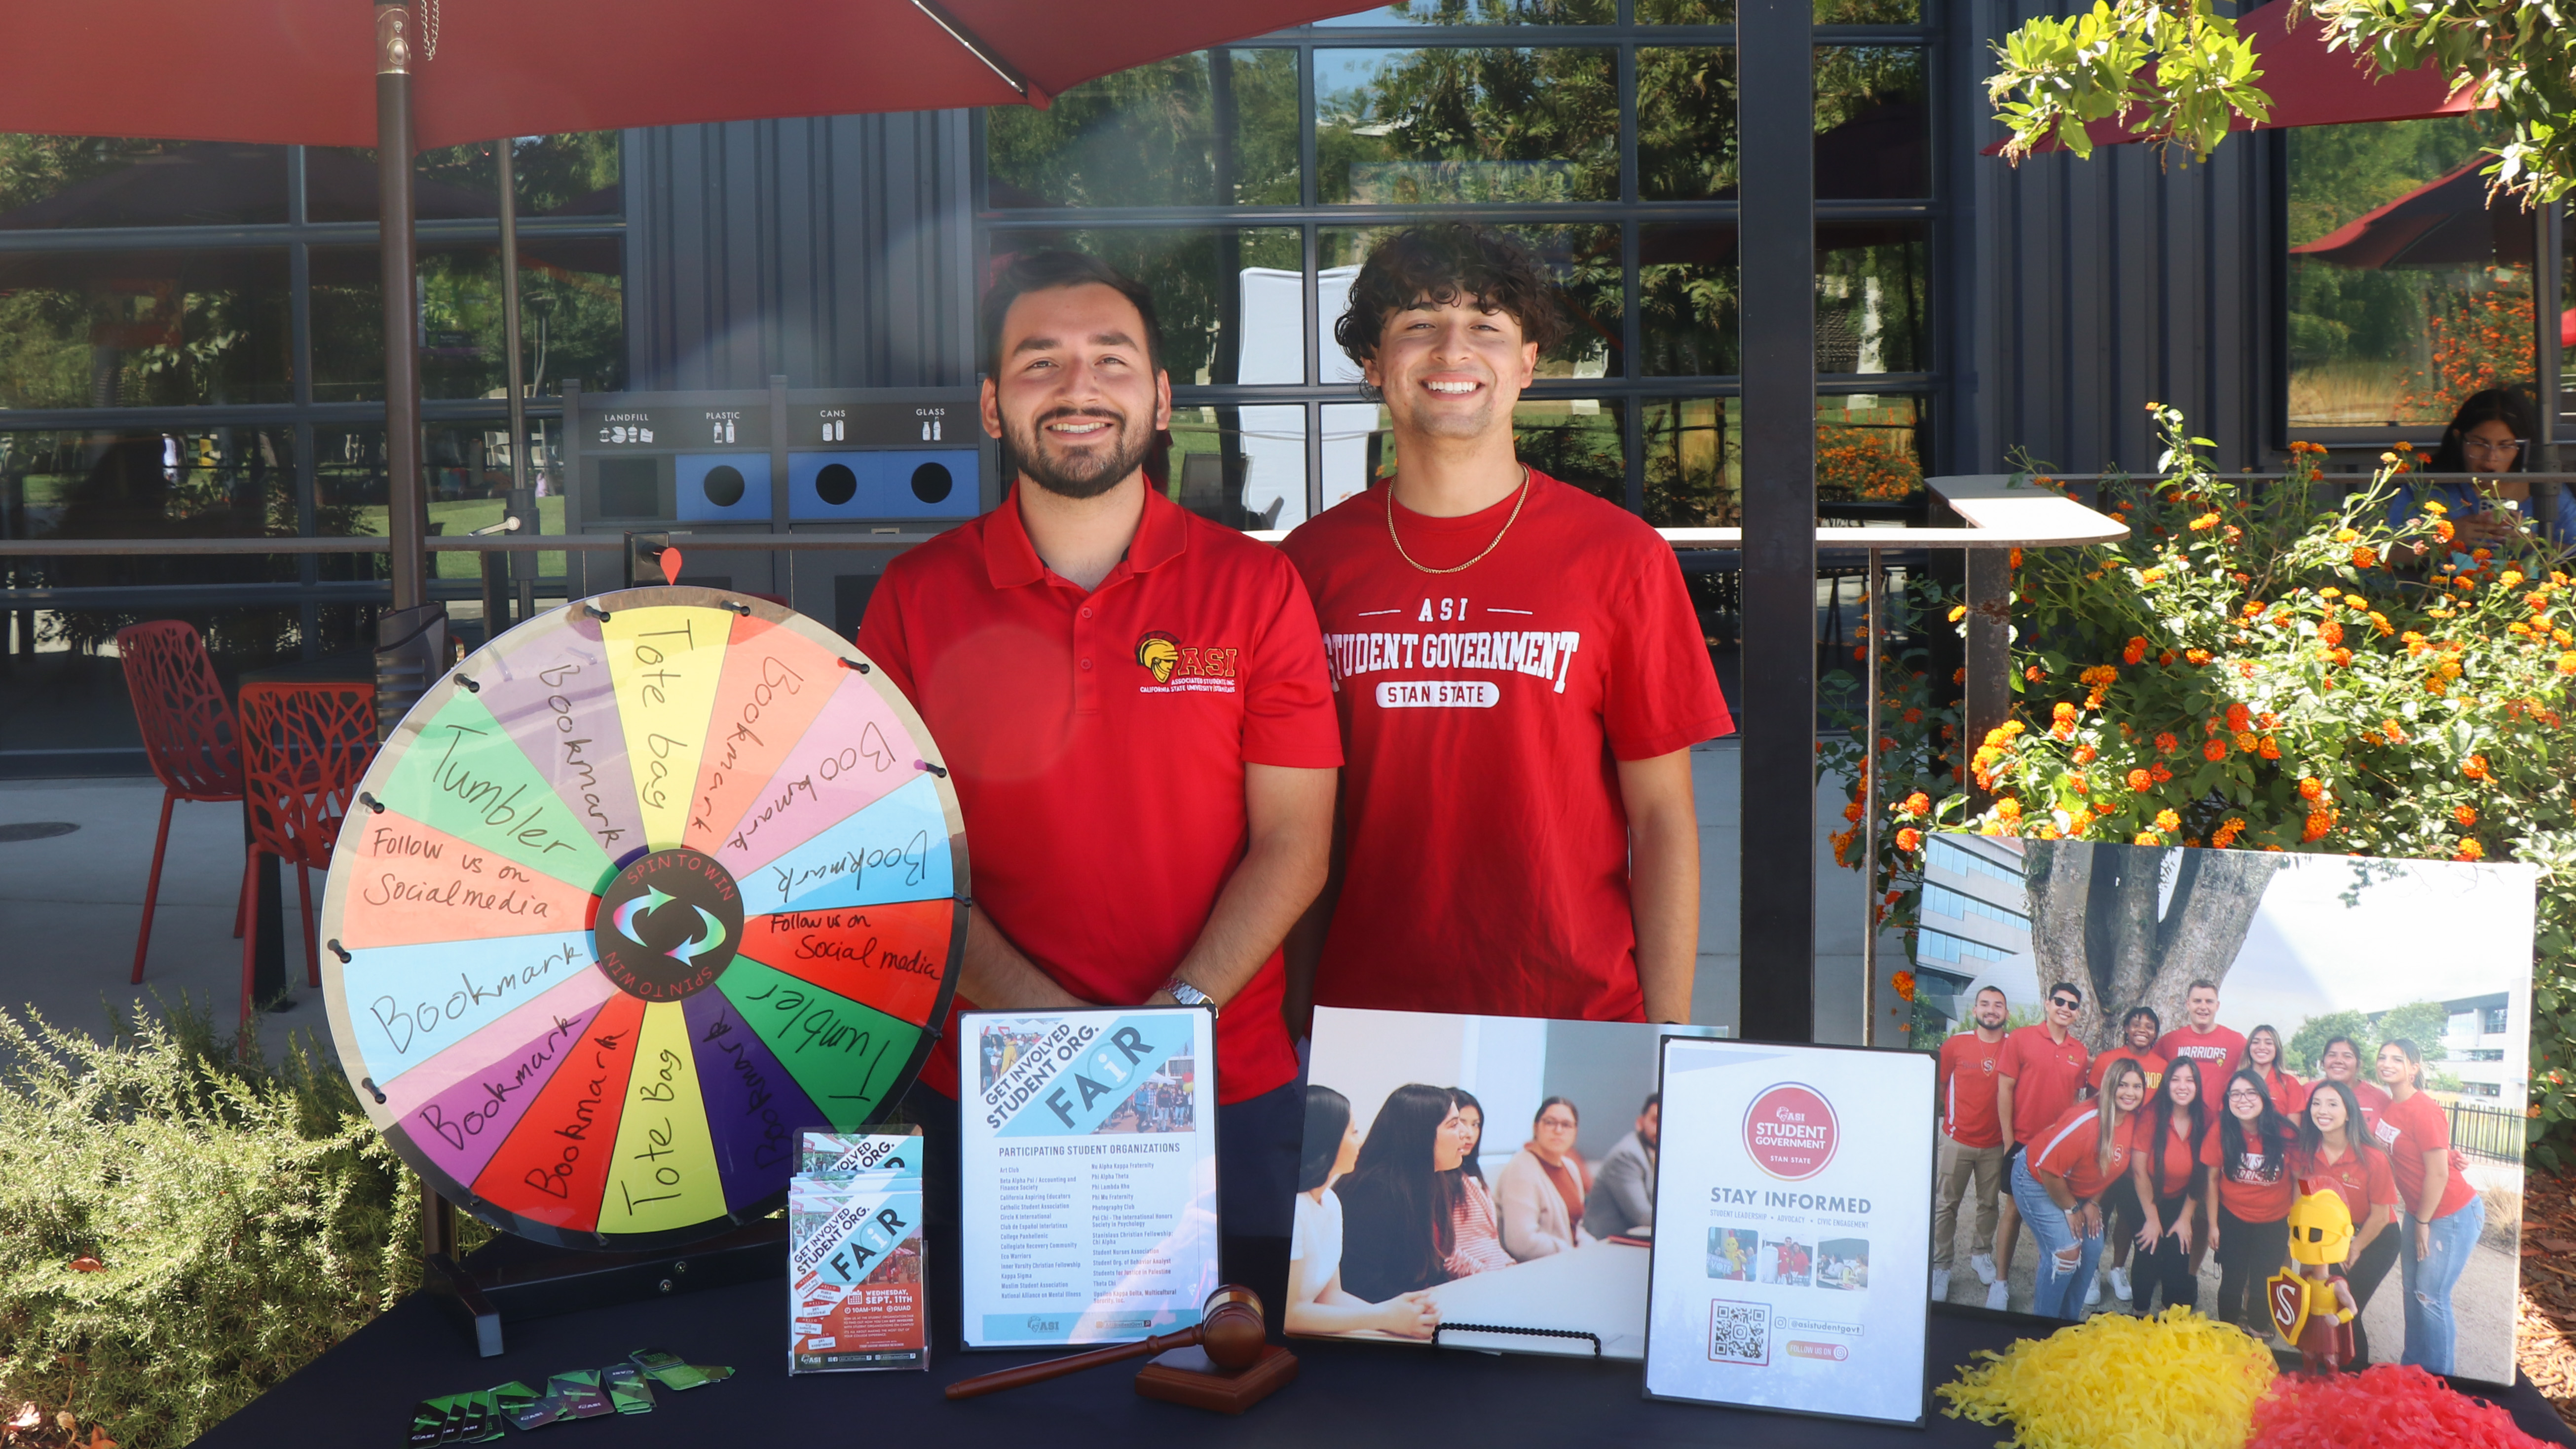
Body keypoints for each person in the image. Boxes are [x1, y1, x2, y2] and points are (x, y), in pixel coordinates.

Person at [859, 251, 1342, 1251]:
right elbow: (900, 859)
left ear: (1161, 398)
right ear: (992, 407)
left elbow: (1295, 842)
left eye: (1111, 360)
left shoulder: (1257, 588)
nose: (1078, 388)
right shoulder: (913, 597)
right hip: (986, 1081)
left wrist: (1162, 1035)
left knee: (1236, 1391)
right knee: (990, 1403)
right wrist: (1061, 1046)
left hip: (1224, 1077)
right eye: (1040, 363)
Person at [1279, 223, 1733, 1033]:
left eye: (1486, 326)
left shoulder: (1619, 557)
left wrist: (1666, 1038)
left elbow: (1662, 820)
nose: (1453, 350)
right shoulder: (1309, 567)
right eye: (1419, 322)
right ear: (1373, 362)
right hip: (1364, 1019)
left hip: (1577, 1017)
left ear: (1527, 362)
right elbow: (1295, 828)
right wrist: (1295, 1020)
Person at [1288, 1085, 1441, 1338]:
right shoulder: (1295, 1209)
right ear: (1327, 1138)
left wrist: (1395, 1317)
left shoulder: (1330, 1201)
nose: (1360, 1141)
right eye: (1354, 1131)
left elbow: (1330, 1295)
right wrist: (1383, 1316)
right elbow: (1290, 1314)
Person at [2375, 1038, 2484, 1375]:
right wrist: (2449, 1156)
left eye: (2397, 1058)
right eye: (2382, 1057)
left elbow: (2437, 1173)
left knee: (2430, 1296)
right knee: (2411, 1291)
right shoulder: (2389, 1105)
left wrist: (2421, 1220)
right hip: (2420, 1210)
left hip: (2449, 1213)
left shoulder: (2423, 1108)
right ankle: (2413, 1371)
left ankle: (2440, 1383)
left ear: (2414, 1067)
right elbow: (2417, 1154)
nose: (2387, 1063)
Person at [2015, 1057, 2148, 1320]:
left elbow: (2108, 1170)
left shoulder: (2134, 1120)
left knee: (2092, 1248)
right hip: (2038, 1180)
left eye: (2137, 1086)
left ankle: (2068, 1321)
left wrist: (2093, 1202)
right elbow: (2048, 1169)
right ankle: (2042, 1326)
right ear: (2110, 1085)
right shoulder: (2087, 1121)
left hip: (2079, 1191)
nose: (2130, 1093)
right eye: (2123, 1085)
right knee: (2066, 1252)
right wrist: (2072, 1208)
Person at [1992, 983, 2091, 1311]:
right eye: (2060, 1001)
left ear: (2077, 1013)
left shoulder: (2079, 1051)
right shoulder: (2020, 1038)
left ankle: (2046, 1279)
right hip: (2021, 1141)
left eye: (2072, 1005)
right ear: (2047, 1003)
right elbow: (2004, 1088)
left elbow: (2076, 1100)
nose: (2065, 1007)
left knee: (2052, 1214)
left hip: (2057, 1149)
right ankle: (2000, 1281)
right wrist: (2009, 1140)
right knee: (2013, 1212)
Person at [2388, 388, 2576, 561]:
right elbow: (2388, 553)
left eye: (2505, 446)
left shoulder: (2546, 488)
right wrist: (2446, 537)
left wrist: (2531, 542)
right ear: (2458, 438)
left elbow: (2572, 553)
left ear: (2523, 447)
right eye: (2479, 444)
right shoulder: (2427, 486)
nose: (2491, 458)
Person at [2289, 1078, 2401, 1366]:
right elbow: (2302, 1204)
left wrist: (2355, 1248)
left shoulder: (2373, 1158)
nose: (2322, 1110)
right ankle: (2325, 1378)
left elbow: (2380, 1214)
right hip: (2329, 1238)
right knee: (2320, 1308)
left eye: (2332, 1104)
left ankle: (2355, 1382)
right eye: (2316, 1103)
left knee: (2349, 1309)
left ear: (2349, 1113)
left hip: (2375, 1238)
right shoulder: (2306, 1152)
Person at [1334, 1083, 1471, 1302]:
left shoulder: (1429, 1179)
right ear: (1420, 1135)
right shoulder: (1374, 1191)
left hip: (1408, 1311)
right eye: (1454, 1125)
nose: (1467, 1134)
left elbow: (1433, 1272)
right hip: (1374, 1317)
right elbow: (1362, 1284)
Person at [2204, 1067, 2300, 1331]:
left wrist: (2296, 1222)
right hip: (2233, 1217)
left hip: (2274, 1220)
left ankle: (2258, 1329)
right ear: (2227, 1101)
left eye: (2250, 1093)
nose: (2243, 1100)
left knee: (2264, 1280)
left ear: (2264, 1097)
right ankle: (2228, 1333)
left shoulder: (2285, 1132)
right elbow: (2212, 1179)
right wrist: (2213, 1224)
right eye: (2235, 1094)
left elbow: (2299, 1180)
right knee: (2232, 1279)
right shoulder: (2221, 1130)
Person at [1933, 985, 2012, 1303]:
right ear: (1975, 1010)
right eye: (1985, 1004)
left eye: (1998, 1005)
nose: (1991, 1010)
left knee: (1989, 1204)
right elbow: (1940, 1085)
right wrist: (1953, 1120)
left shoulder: (2014, 1046)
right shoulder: (1956, 1045)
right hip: (1956, 1140)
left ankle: (1981, 1254)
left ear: (2007, 1013)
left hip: (1995, 1144)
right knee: (1945, 1205)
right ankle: (1941, 1267)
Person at [2093, 1005, 2169, 1304]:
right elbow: (2092, 1104)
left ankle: (2117, 1268)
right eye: (2136, 1023)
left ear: (2155, 1034)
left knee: (2127, 1218)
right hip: (2104, 1153)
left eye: (2150, 1026)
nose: (2142, 1029)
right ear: (2125, 1027)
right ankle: (2090, 1272)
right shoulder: (2106, 1060)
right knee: (2096, 1214)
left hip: (2137, 1158)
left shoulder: (2163, 1067)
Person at [2127, 1058, 2208, 1317]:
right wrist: (2152, 1219)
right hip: (2146, 1196)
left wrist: (2186, 1218)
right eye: (2176, 1079)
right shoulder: (2152, 1114)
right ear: (2166, 1084)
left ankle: (2166, 1319)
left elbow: (2203, 1174)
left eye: (2189, 1080)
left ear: (2197, 1085)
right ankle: (2139, 1313)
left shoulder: (2205, 1117)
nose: (2182, 1086)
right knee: (2148, 1251)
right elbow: (2139, 1170)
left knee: (2178, 1256)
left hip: (2182, 1199)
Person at [1496, 1096, 1592, 1260]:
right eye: (1550, 1122)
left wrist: (1593, 1249)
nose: (1559, 1130)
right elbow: (1522, 1242)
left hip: (1568, 1261)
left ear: (1575, 1133)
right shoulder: (1521, 1168)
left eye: (1567, 1125)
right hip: (1537, 1268)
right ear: (1536, 1128)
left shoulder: (1570, 1167)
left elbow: (1575, 1228)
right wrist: (1572, 1254)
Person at [1444, 1088, 1515, 1276]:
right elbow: (1445, 1251)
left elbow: (1490, 1239)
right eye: (1460, 1123)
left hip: (1499, 1270)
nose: (1469, 1133)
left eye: (1476, 1125)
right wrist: (1485, 1274)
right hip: (1473, 1278)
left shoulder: (1470, 1172)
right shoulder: (1439, 1177)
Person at [1584, 1093, 1659, 1241]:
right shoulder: (1627, 1155)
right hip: (1602, 1245)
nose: (1662, 1128)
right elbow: (1643, 1216)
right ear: (1640, 1122)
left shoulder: (1656, 1153)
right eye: (1656, 1121)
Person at [2156, 980, 2246, 1094]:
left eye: (2209, 1002)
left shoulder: (2237, 1042)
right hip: (2181, 1111)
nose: (2203, 1007)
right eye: (2197, 1001)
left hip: (2221, 1112)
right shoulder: (2169, 1041)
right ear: (2188, 1005)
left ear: (2217, 1006)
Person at [2315, 1036, 2392, 1128]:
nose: (2339, 1061)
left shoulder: (2379, 1098)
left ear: (2359, 1064)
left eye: (2347, 1056)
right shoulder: (2310, 1092)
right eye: (2332, 1055)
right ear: (2323, 1063)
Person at [2244, 1024, 2309, 1119]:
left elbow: (2293, 1129)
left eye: (2269, 1043)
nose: (2262, 1047)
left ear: (2277, 1049)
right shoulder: (2236, 1082)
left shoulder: (2290, 1084)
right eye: (2256, 1042)